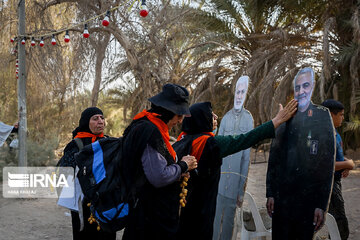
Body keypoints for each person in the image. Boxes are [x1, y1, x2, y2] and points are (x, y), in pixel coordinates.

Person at [173, 99, 297, 240]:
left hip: (183, 211)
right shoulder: (211, 144)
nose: (215, 117)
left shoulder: (181, 141)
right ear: (201, 119)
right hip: (202, 210)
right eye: (210, 114)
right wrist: (277, 121)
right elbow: (246, 138)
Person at [121, 83, 198, 240]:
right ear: (167, 112)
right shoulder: (150, 132)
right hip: (150, 220)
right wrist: (184, 165)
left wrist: (179, 171)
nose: (180, 120)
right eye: (178, 115)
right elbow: (158, 177)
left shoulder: (150, 127)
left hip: (149, 215)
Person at [266, 67, 335, 240]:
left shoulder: (322, 115)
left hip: (308, 202)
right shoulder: (286, 115)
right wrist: (270, 193)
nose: (301, 91)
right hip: (282, 200)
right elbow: (274, 156)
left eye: (305, 86)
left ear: (313, 87)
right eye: (297, 87)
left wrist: (321, 205)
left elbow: (327, 163)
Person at [57, 107, 116, 240]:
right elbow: (66, 172)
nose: (100, 121)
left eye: (102, 118)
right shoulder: (76, 144)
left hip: (107, 200)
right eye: (95, 119)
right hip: (84, 202)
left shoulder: (109, 142)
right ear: (85, 123)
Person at [213, 76, 254, 240]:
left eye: (242, 92)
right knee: (215, 220)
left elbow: (246, 158)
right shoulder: (226, 118)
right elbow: (215, 148)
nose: (239, 95)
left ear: (246, 95)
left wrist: (241, 191)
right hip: (219, 184)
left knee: (230, 222)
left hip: (235, 185)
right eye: (237, 91)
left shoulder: (249, 119)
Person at [321, 99, 355, 240]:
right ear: (330, 114)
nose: (342, 118)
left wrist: (345, 163)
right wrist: (349, 164)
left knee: (336, 220)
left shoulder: (335, 133)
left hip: (336, 181)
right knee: (339, 223)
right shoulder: (325, 135)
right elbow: (325, 164)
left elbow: (336, 156)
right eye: (340, 115)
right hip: (329, 184)